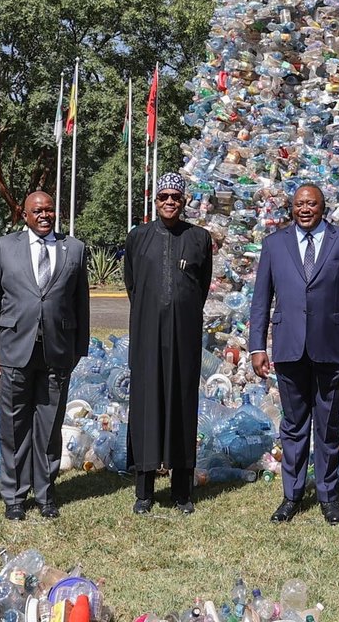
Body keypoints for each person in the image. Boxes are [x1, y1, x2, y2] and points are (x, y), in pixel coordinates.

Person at [248, 183, 339, 525]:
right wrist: (257, 346)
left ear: (323, 207)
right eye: (300, 204)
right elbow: (261, 301)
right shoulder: (274, 245)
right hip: (289, 348)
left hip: (333, 347)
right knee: (293, 425)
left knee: (328, 425)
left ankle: (329, 496)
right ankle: (291, 496)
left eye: (312, 204)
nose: (305, 209)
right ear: (292, 208)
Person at [0, 190, 90, 520]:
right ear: (24, 215)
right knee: (14, 427)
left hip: (57, 352)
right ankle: (14, 496)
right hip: (14, 349)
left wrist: (79, 348)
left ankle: (45, 494)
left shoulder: (74, 249)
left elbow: (81, 303)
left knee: (49, 425)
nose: (45, 215)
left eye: (50, 211)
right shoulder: (4, 248)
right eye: (37, 211)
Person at [123, 172, 214, 515]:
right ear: (155, 200)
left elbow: (200, 286)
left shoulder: (199, 239)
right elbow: (133, 284)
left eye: (176, 197)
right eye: (164, 197)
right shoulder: (139, 237)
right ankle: (144, 490)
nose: (170, 202)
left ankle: (181, 491)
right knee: (147, 405)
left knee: (181, 404)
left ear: (185, 200)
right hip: (147, 333)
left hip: (184, 335)